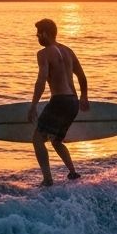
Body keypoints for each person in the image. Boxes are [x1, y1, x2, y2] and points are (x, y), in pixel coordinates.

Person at [27, 18, 89, 187]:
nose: (37, 36)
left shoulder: (44, 53)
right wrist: (84, 97)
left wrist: (33, 105)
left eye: (39, 33)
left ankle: (47, 180)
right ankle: (73, 173)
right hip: (72, 103)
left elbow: (41, 80)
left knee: (38, 139)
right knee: (56, 141)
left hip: (59, 100)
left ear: (46, 34)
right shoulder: (68, 51)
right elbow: (82, 77)